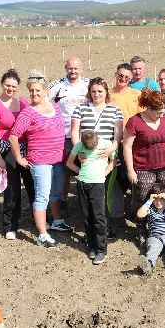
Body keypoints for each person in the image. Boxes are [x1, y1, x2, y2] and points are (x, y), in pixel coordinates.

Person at [8, 76, 70, 248]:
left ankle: (57, 221)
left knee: (55, 194)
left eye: (37, 90)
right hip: (40, 161)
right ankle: (42, 235)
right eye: (31, 91)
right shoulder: (28, 112)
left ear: (45, 92)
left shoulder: (56, 108)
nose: (34, 93)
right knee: (42, 196)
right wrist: (20, 158)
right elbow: (14, 136)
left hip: (58, 159)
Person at [123, 90, 165, 244]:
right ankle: (141, 229)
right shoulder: (134, 122)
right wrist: (130, 170)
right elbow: (127, 147)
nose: (161, 115)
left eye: (163, 112)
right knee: (142, 199)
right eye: (158, 112)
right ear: (148, 107)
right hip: (143, 168)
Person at [70, 77, 124, 237]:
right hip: (85, 157)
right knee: (87, 197)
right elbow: (74, 132)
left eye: (100, 91)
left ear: (106, 92)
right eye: (93, 91)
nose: (96, 94)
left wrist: (111, 149)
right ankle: (90, 230)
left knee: (104, 193)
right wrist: (78, 151)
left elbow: (118, 134)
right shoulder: (80, 109)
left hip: (105, 157)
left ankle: (104, 227)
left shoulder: (115, 109)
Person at [0, 69, 34, 239]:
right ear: (2, 84)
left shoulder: (23, 103)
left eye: (14, 86)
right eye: (8, 85)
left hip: (25, 148)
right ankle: (9, 226)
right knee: (12, 189)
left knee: (32, 184)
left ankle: (39, 218)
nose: (10, 89)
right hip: (7, 149)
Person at [66, 130, 115, 265]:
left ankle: (101, 249)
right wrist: (80, 171)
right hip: (82, 183)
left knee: (99, 216)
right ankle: (91, 245)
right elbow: (69, 163)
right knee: (87, 215)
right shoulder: (79, 146)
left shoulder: (106, 144)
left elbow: (113, 162)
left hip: (98, 184)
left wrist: (104, 174)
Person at [48, 57, 89, 211]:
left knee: (86, 167)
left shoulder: (88, 85)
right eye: (70, 68)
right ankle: (63, 200)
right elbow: (46, 104)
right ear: (66, 67)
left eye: (76, 68)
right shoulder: (56, 86)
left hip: (86, 136)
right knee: (63, 171)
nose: (73, 71)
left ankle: (87, 201)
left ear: (81, 68)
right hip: (63, 136)